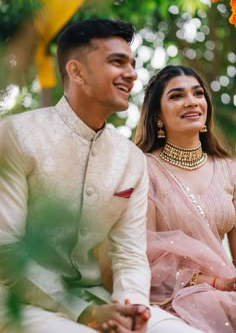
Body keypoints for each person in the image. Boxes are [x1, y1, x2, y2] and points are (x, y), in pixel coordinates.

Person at [0, 20, 205, 333]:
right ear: (77, 71)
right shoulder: (16, 135)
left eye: (133, 64)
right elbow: (6, 249)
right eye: (117, 62)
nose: (132, 73)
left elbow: (130, 255)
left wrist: (133, 309)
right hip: (19, 301)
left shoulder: (131, 159)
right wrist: (85, 313)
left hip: (100, 298)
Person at [135, 65, 236, 333]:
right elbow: (144, 258)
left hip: (228, 292)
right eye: (177, 96)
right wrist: (212, 282)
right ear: (158, 114)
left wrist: (228, 284)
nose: (191, 102)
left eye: (198, 94)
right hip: (173, 298)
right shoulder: (143, 169)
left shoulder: (230, 169)